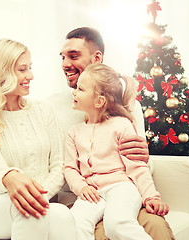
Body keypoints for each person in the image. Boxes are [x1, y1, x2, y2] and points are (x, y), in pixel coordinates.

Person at [48, 27, 175, 239]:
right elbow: (62, 167)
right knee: (93, 229)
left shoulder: (127, 108)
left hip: (123, 189)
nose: (65, 64)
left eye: (73, 56)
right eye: (62, 57)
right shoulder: (52, 107)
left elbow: (138, 163)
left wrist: (144, 159)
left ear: (96, 58)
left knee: (155, 227)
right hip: (84, 196)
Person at [0, 38, 76, 240]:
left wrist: (39, 196)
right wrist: (15, 181)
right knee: (29, 209)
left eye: (30, 68)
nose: (31, 76)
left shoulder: (43, 110)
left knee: (63, 216)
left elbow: (59, 165)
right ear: (3, 73)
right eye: (22, 70)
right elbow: (0, 175)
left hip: (41, 204)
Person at [64, 63, 169, 240]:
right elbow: (70, 168)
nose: (74, 92)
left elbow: (137, 166)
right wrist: (81, 187)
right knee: (75, 223)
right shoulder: (73, 133)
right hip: (92, 193)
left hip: (121, 187)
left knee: (116, 224)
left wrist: (151, 197)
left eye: (80, 89)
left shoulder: (122, 125)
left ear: (99, 101)